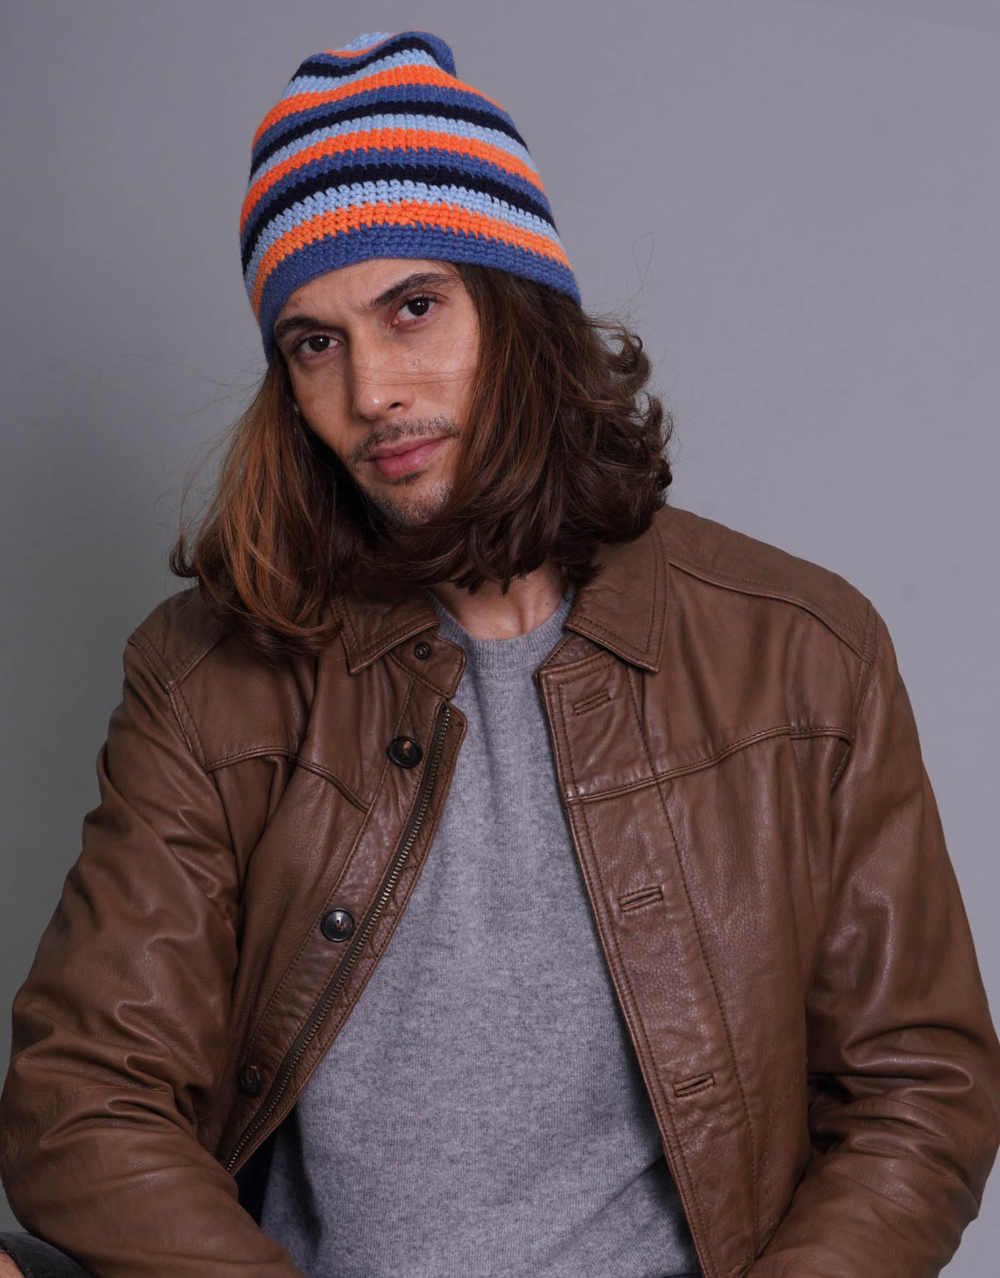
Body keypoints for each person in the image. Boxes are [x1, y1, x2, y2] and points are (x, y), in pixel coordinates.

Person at [1, 28, 998, 1278]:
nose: (372, 391)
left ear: (520, 311)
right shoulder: (209, 676)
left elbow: (918, 1090)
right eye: (314, 342)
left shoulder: (800, 650)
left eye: (413, 308)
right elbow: (84, 1098)